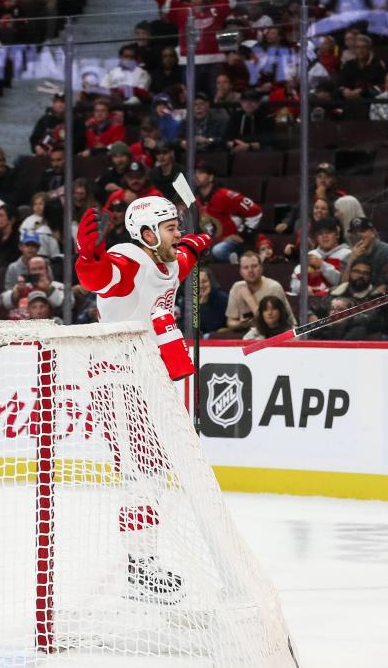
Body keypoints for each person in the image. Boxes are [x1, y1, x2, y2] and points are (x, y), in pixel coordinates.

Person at [74, 196, 212, 602]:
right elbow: (101, 277)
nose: (178, 232)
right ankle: (140, 565)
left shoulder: (166, 260)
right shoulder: (130, 259)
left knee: (151, 473)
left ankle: (143, 562)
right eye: (171, 227)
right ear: (148, 235)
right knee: (141, 476)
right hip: (117, 382)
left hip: (146, 380)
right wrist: (87, 256)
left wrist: (197, 242)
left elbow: (183, 258)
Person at [143, 0, 253, 95]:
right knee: (192, 99)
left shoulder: (217, 8)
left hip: (215, 63)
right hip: (189, 64)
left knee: (216, 97)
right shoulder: (182, 10)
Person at [193, 162, 263, 262]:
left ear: (211, 177)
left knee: (218, 250)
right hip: (213, 242)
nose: (196, 176)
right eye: (195, 173)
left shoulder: (226, 195)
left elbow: (255, 211)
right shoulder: (197, 200)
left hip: (233, 243)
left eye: (201, 173)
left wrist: (243, 236)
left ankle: (237, 261)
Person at [225, 251, 295, 333]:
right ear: (240, 272)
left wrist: (249, 298)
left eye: (254, 266)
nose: (250, 270)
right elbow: (230, 322)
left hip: (282, 333)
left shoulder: (273, 287)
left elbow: (271, 323)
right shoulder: (237, 287)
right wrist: (240, 324)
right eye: (245, 267)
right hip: (251, 333)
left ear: (261, 268)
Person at [289, 217, 351, 296]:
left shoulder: (347, 254)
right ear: (316, 238)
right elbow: (294, 281)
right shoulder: (312, 254)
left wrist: (322, 265)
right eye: (320, 233)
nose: (324, 236)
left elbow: (341, 283)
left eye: (329, 232)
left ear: (337, 234)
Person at [0, 254, 65, 314]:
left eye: (40, 268)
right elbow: (1, 303)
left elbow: (67, 305)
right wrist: (15, 293)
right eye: (34, 269)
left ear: (47, 270)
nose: (37, 272)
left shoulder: (58, 286)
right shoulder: (22, 287)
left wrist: (49, 289)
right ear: (29, 272)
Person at [342, 217, 388, 290]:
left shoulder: (386, 251)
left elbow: (386, 283)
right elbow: (343, 286)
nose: (358, 235)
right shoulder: (349, 255)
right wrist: (351, 260)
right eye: (354, 232)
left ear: (373, 233)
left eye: (362, 231)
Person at [198, 267, 229, 336]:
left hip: (216, 339)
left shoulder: (222, 299)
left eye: (204, 281)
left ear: (211, 282)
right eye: (196, 282)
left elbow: (213, 328)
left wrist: (202, 305)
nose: (200, 286)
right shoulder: (186, 300)